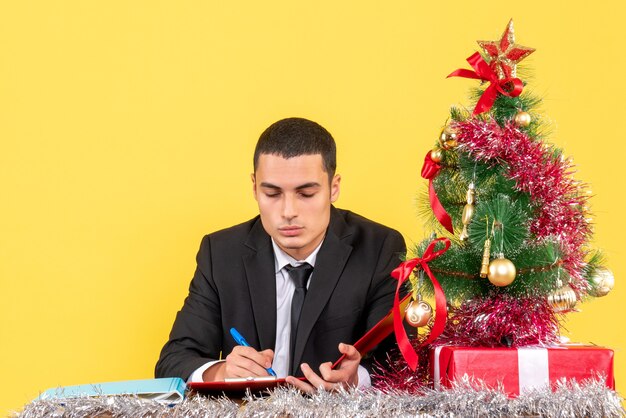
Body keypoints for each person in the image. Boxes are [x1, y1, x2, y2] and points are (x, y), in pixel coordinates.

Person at [155, 117, 406, 392]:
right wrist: (221, 370)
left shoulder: (380, 249)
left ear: (334, 188)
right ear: (254, 187)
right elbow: (172, 361)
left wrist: (358, 378)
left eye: (306, 193)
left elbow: (401, 362)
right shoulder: (221, 253)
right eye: (272, 193)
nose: (288, 212)